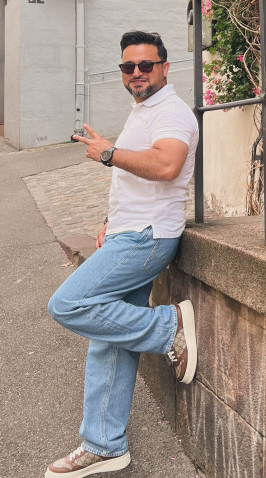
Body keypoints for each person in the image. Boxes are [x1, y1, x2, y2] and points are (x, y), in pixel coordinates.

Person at [46, 30, 199, 478]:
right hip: (128, 232)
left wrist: (109, 153)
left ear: (164, 68)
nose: (136, 73)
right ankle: (104, 445)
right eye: (128, 67)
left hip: (146, 238)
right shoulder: (144, 111)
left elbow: (167, 165)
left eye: (145, 65)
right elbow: (138, 180)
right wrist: (111, 219)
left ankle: (167, 328)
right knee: (110, 340)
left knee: (68, 304)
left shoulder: (171, 112)